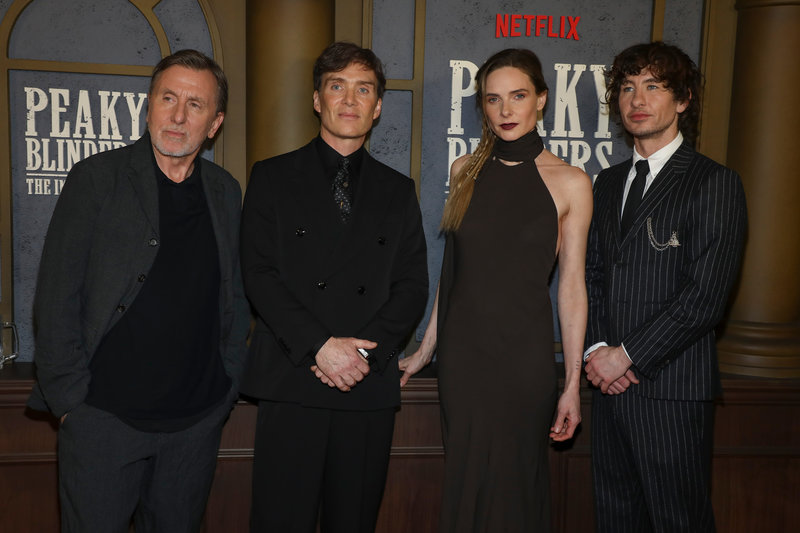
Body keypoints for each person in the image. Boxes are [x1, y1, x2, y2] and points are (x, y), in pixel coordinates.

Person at [26, 49, 250, 532]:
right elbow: (55, 298)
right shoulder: (97, 179)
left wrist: (227, 387)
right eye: (168, 98)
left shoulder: (225, 191)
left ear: (214, 124)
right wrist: (70, 405)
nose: (177, 116)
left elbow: (236, 298)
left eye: (195, 104)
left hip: (195, 425)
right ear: (149, 106)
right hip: (102, 422)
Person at [240, 41, 428, 533]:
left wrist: (360, 356)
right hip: (293, 377)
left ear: (377, 106)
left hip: (365, 385)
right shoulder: (272, 176)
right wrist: (321, 347)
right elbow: (258, 274)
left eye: (363, 89)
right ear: (317, 99)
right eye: (337, 86)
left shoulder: (398, 190)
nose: (349, 99)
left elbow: (412, 285)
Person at [401, 48, 592, 532]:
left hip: (524, 360)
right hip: (464, 360)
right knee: (467, 480)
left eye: (518, 96)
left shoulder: (571, 182)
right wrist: (426, 348)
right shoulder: (464, 169)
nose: (505, 110)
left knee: (515, 485)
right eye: (493, 99)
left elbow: (571, 287)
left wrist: (572, 385)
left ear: (541, 100)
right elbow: (453, 272)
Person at [584, 42, 747, 532]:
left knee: (679, 521)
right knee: (615, 519)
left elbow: (705, 298)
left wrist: (626, 356)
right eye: (627, 87)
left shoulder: (713, 182)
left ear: (683, 100)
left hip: (672, 391)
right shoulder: (606, 183)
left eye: (653, 86)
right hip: (607, 388)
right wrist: (597, 351)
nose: (637, 99)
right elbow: (593, 276)